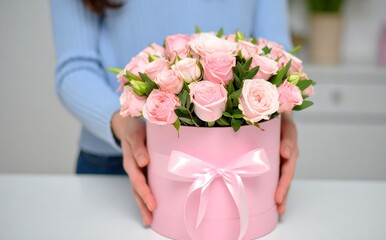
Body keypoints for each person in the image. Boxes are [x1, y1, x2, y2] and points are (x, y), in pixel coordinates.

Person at [50, 0, 299, 226]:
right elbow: (76, 67)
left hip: (239, 155)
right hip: (116, 162)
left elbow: (275, 54)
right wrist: (123, 123)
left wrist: (283, 115)